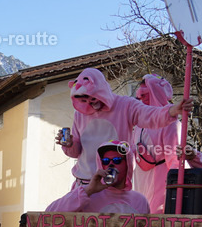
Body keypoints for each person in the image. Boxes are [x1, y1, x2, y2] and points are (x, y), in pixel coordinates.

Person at [55, 67, 190, 194]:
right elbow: (76, 152)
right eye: (85, 100)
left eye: (93, 98)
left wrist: (172, 110)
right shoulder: (79, 114)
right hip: (83, 186)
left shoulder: (125, 105)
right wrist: (69, 145)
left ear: (101, 90)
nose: (91, 103)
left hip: (112, 186)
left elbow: (150, 115)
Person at [48, 140, 150, 214]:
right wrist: (88, 190)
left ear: (128, 164)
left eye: (117, 160)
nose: (110, 164)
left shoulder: (140, 200)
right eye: (105, 161)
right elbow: (49, 213)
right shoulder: (87, 195)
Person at [130, 75, 181, 213]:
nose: (141, 99)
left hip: (159, 179)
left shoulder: (171, 123)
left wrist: (174, 187)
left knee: (154, 214)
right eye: (139, 96)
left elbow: (174, 158)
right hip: (140, 177)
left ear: (155, 93)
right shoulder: (140, 122)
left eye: (144, 95)